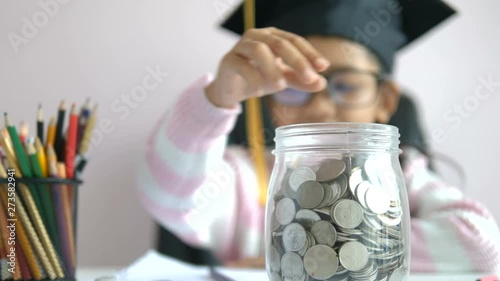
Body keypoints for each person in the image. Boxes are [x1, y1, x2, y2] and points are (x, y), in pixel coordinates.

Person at [136, 0, 500, 272]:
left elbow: (480, 244)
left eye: (346, 85)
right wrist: (216, 98)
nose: (322, 108)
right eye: (295, 87)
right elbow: (167, 197)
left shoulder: (405, 175)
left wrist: (294, 254)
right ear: (269, 102)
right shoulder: (251, 179)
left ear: (385, 101)